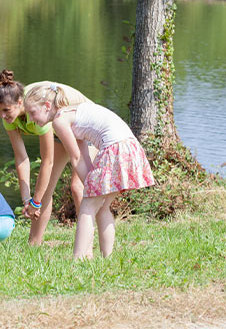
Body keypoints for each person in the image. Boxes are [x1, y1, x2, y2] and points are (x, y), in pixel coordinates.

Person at [23, 83, 155, 259]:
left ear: (47, 106)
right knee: (102, 206)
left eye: (32, 113)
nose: (31, 120)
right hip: (130, 146)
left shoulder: (59, 121)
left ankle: (78, 260)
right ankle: (107, 257)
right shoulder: (73, 113)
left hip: (115, 148)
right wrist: (92, 185)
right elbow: (83, 158)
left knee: (87, 206)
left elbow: (76, 158)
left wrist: (90, 190)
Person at [0, 70, 97, 245]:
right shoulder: (9, 116)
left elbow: (47, 161)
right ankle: (34, 245)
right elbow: (21, 158)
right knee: (45, 189)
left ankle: (87, 245)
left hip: (87, 125)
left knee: (77, 187)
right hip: (62, 128)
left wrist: (36, 203)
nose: (2, 115)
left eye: (6, 110)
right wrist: (27, 199)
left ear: (19, 102)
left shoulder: (36, 112)